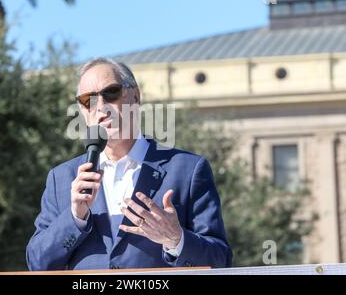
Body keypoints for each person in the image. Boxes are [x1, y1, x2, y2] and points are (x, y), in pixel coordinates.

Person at [26, 58, 232, 270]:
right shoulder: (61, 179)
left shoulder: (188, 170)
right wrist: (75, 218)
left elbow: (220, 261)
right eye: (89, 100)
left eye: (111, 93)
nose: (102, 107)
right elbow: (38, 263)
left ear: (135, 96)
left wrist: (175, 240)